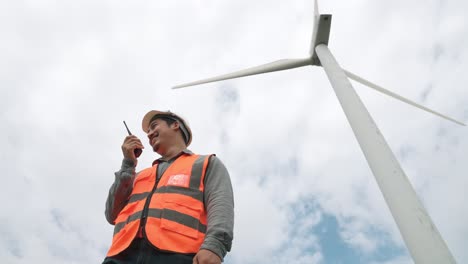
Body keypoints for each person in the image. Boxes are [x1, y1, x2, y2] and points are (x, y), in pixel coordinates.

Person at [103, 110, 234, 264]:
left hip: (177, 256)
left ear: (175, 125)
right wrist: (128, 163)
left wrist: (214, 247)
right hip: (120, 257)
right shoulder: (136, 176)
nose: (149, 134)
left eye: (154, 126)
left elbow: (220, 205)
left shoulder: (204, 164)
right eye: (148, 131)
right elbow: (112, 214)